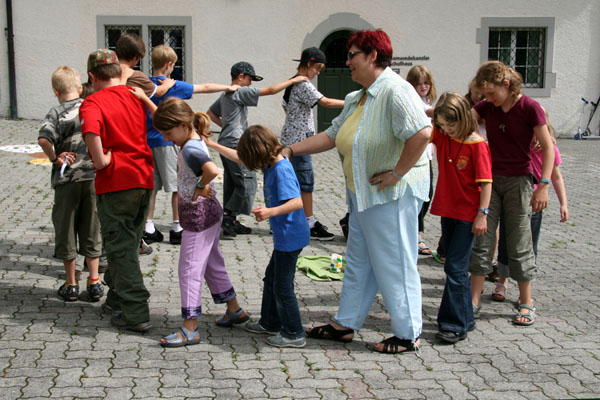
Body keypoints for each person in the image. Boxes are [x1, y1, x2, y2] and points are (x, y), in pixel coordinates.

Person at [287, 29, 432, 354]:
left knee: (395, 263)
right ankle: (345, 325)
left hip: (392, 196)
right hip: (364, 195)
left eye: (353, 54)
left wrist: (398, 172)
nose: (347, 61)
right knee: (359, 262)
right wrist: (289, 151)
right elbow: (331, 135)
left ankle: (408, 333)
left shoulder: (396, 90)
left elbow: (422, 133)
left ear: (373, 56)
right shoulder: (358, 98)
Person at [151, 98, 249, 347]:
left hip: (199, 219)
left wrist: (198, 186)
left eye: (168, 133)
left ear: (183, 125)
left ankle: (190, 328)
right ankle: (234, 309)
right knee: (211, 264)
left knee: (189, 270)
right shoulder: (190, 139)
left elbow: (213, 171)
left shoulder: (192, 148)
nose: (166, 138)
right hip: (208, 215)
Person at [205, 125, 310, 348]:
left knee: (282, 286)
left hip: (291, 237)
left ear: (259, 154)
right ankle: (270, 322)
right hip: (285, 236)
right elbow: (239, 158)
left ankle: (294, 333)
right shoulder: (271, 159)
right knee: (271, 279)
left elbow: (298, 202)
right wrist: (212, 145)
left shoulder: (281, 169)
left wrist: (271, 211)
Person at [469, 60, 554, 326]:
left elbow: (549, 148)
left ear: (507, 85)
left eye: (492, 93)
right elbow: (464, 119)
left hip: (520, 182)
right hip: (490, 181)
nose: (488, 99)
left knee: (518, 241)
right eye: (485, 95)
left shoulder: (530, 108)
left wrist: (543, 185)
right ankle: (473, 301)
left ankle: (526, 301)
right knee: (482, 238)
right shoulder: (486, 107)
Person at [80, 49, 155, 333]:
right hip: (144, 179)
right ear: (117, 71)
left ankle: (136, 311)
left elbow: (94, 142)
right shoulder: (134, 96)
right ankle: (116, 298)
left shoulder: (92, 102)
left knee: (120, 249)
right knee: (128, 244)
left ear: (91, 75)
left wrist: (103, 160)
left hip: (116, 183)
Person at [143, 45, 240, 246]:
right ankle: (178, 226)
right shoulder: (172, 85)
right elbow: (204, 87)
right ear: (169, 64)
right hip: (167, 141)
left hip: (147, 141)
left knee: (151, 187)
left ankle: (148, 226)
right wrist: (227, 87)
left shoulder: (147, 85)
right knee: (177, 186)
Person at [207, 62, 308, 238]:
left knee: (233, 183)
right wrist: (294, 81)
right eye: (249, 79)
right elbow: (270, 90)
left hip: (226, 141)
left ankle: (233, 220)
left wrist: (226, 127)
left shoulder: (226, 94)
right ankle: (228, 219)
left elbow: (210, 112)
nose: (250, 84)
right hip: (237, 143)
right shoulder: (239, 91)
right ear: (240, 77)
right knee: (247, 182)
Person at [429, 92, 492, 343]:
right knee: (452, 265)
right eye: (443, 125)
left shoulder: (477, 144)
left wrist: (482, 215)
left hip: (468, 215)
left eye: (451, 124)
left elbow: (486, 183)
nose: (447, 130)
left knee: (455, 267)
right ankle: (466, 317)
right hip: (448, 212)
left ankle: (453, 324)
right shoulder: (443, 136)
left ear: (464, 118)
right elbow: (423, 121)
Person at [38, 66, 103, 302]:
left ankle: (71, 283)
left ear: (56, 90)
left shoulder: (55, 112)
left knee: (66, 229)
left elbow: (44, 138)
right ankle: (94, 281)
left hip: (66, 181)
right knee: (92, 228)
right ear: (79, 87)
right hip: (93, 178)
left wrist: (55, 158)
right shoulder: (91, 107)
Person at [493, 110, 569, 302]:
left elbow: (556, 176)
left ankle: (524, 291)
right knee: (506, 242)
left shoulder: (549, 147)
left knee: (528, 245)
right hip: (512, 197)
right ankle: (502, 280)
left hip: (534, 203)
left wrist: (564, 203)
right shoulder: (518, 143)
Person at [280, 47, 345, 241]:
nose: (317, 73)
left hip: (290, 138)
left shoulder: (292, 82)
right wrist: (353, 102)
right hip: (301, 142)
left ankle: (286, 220)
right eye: (317, 68)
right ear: (308, 64)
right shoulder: (303, 84)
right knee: (305, 183)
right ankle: (309, 223)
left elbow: (285, 106)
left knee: (291, 182)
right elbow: (325, 102)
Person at [406, 65, 437, 256]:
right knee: (419, 195)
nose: (423, 87)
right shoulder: (413, 100)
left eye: (426, 83)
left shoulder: (427, 99)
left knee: (428, 194)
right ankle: (416, 235)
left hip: (427, 154)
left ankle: (416, 232)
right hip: (415, 155)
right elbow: (426, 111)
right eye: (419, 84)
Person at [115, 33, 174, 98]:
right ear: (135, 58)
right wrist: (167, 84)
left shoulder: (108, 70)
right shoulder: (135, 76)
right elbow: (159, 92)